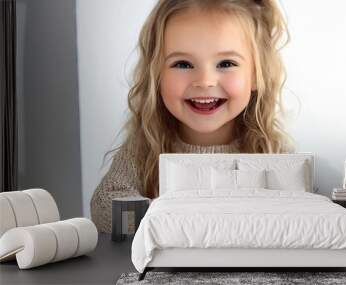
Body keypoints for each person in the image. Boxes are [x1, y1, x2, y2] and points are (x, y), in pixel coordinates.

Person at [90, 0, 296, 233]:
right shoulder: (143, 149)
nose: (205, 81)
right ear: (156, 75)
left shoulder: (271, 151)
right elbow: (105, 204)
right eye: (183, 64)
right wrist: (178, 221)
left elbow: (302, 214)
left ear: (257, 75)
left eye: (226, 63)